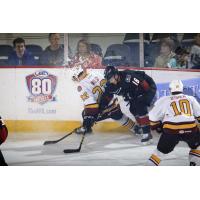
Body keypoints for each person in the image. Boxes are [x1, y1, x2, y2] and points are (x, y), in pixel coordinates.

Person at [70, 65, 136, 135]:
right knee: (120, 117)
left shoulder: (81, 86)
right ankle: (136, 129)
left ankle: (85, 128)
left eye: (74, 78)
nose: (75, 80)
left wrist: (88, 119)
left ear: (76, 76)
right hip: (113, 103)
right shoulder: (95, 73)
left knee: (84, 114)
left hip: (103, 110)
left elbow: (91, 105)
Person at [147, 80, 200, 166]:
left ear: (170, 89)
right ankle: (193, 164)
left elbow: (152, 116)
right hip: (190, 130)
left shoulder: (164, 100)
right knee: (197, 146)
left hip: (171, 132)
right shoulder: (190, 98)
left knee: (159, 153)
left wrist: (156, 126)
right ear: (182, 88)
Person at [102, 66, 157, 144]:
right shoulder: (110, 85)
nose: (111, 81)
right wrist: (103, 106)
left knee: (140, 106)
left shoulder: (128, 76)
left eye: (111, 78)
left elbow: (143, 84)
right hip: (133, 91)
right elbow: (106, 96)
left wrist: (148, 96)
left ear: (116, 75)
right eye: (109, 79)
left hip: (147, 86)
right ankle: (142, 126)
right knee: (133, 109)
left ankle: (147, 133)